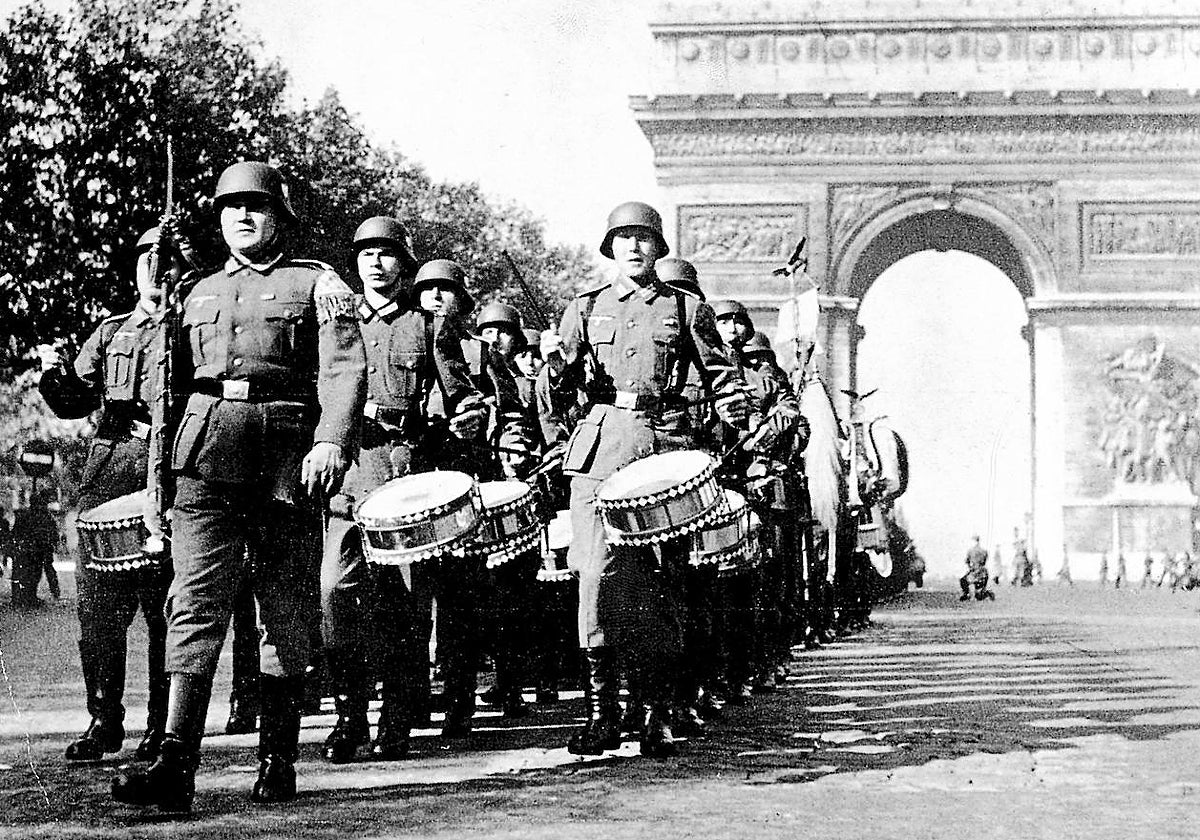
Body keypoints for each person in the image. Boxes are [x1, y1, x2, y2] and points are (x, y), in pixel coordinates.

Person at [112, 161, 366, 812]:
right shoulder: (193, 290)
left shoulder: (315, 284)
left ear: (280, 215)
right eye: (231, 207)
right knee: (192, 604)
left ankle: (278, 757)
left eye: (256, 206)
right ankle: (174, 762)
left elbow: (342, 370)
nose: (242, 217)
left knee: (284, 609)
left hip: (285, 460)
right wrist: (155, 483)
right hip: (204, 456)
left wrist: (332, 440)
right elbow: (163, 391)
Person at [540, 201, 747, 757]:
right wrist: (555, 370)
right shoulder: (582, 308)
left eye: (644, 237)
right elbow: (558, 397)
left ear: (659, 246)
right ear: (610, 247)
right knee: (594, 580)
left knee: (661, 584)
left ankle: (655, 710)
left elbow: (722, 379)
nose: (634, 246)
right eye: (623, 238)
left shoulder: (686, 308)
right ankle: (601, 712)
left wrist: (731, 425)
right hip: (600, 450)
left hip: (663, 451)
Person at [319, 220, 485, 763]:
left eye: (387, 254)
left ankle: (395, 721)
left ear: (403, 264)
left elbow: (463, 397)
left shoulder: (427, 326)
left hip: (405, 475)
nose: (375, 263)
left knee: (405, 608)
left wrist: (467, 418)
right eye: (365, 252)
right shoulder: (333, 323)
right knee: (335, 596)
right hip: (346, 475)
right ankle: (348, 716)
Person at [38, 225, 187, 762]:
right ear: (135, 268)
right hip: (111, 473)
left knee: (165, 611)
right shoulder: (111, 332)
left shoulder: (194, 327)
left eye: (166, 258)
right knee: (100, 615)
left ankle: (161, 727)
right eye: (146, 256)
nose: (156, 266)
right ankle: (103, 721)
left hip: (169, 472)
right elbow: (74, 400)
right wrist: (53, 374)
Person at [9, 490, 60, 608]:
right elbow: (53, 533)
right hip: (41, 549)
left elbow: (15, 532)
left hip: (29, 550)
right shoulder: (46, 516)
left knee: (28, 573)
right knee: (38, 573)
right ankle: (34, 596)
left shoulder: (24, 515)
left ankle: (25, 597)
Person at [959, 536, 990, 600]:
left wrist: (970, 567)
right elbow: (984, 562)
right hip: (983, 572)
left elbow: (967, 561)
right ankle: (982, 592)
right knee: (983, 582)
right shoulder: (984, 551)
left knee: (963, 580)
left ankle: (966, 593)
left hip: (973, 571)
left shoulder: (970, 551)